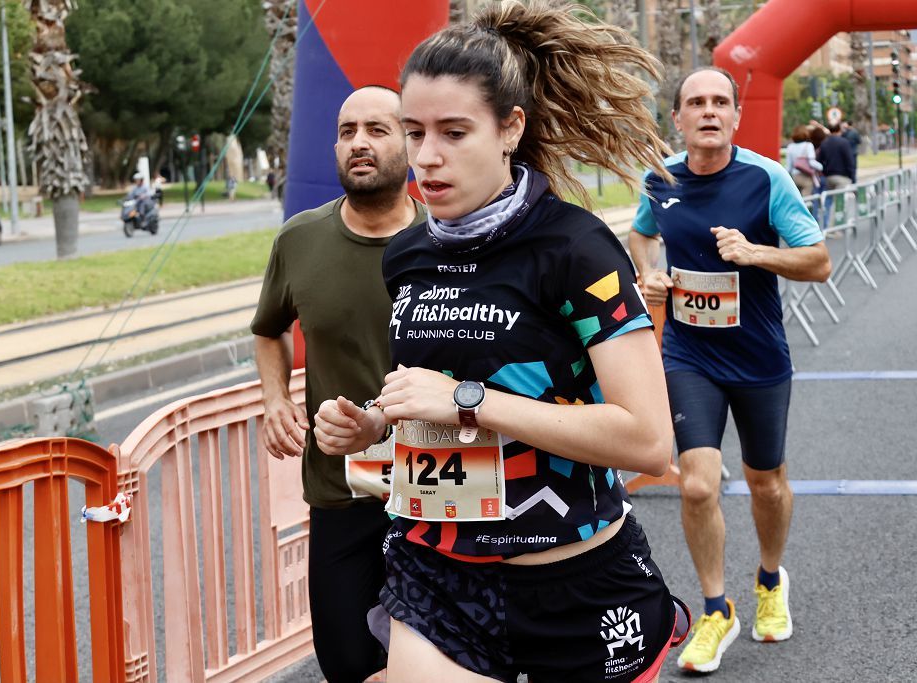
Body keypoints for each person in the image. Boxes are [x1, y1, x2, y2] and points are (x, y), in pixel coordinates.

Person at [315, 3, 688, 681]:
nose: (426, 157)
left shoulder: (575, 248)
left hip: (574, 584)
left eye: (454, 132)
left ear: (510, 127)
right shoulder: (407, 255)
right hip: (439, 578)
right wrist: (370, 420)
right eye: (414, 131)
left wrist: (468, 400)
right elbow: (430, 390)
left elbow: (647, 440)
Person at [629, 67, 833, 674]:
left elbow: (818, 261)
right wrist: (649, 272)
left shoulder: (765, 177)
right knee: (696, 482)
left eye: (721, 102)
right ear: (678, 118)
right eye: (696, 102)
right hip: (690, 354)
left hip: (759, 357)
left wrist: (754, 253)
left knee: (766, 481)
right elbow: (642, 237)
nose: (709, 111)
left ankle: (770, 579)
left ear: (736, 117)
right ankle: (716, 609)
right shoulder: (658, 178)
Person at [251, 85, 425, 683]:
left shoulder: (451, 239)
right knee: (348, 663)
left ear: (410, 140)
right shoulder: (300, 239)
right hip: (341, 489)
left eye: (378, 129)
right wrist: (274, 398)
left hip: (444, 490)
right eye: (348, 130)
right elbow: (268, 330)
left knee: (434, 661)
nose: (359, 143)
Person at [816, 122, 856, 190]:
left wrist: (825, 172)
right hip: (842, 177)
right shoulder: (844, 142)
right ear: (839, 130)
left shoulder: (824, 143)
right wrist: (852, 177)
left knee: (830, 199)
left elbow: (819, 161)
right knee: (840, 199)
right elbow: (849, 161)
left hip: (829, 177)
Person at [785, 125, 821, 197]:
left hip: (794, 176)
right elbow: (812, 163)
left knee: (796, 199)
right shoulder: (808, 145)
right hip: (805, 176)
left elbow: (789, 166)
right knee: (806, 200)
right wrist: (821, 166)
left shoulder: (790, 146)